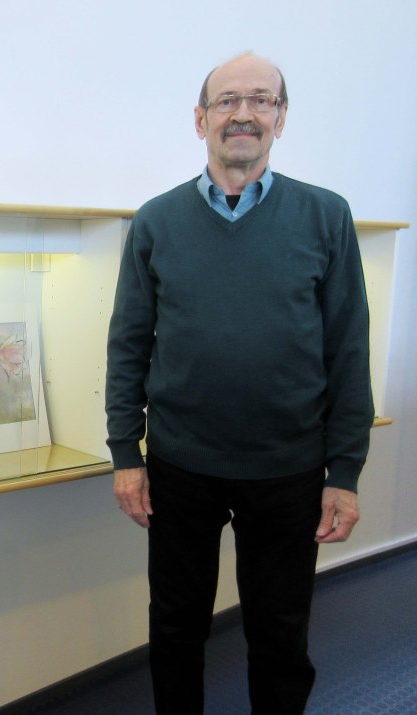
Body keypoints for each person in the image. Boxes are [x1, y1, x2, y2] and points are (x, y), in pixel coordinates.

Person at [105, 52, 373, 715]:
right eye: (227, 101)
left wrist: (345, 471)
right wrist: (125, 454)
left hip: (289, 468)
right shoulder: (156, 221)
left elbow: (348, 350)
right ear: (201, 120)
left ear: (281, 117)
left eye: (261, 99)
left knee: (280, 635)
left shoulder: (326, 216)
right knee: (175, 627)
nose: (243, 114)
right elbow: (129, 344)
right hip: (180, 466)